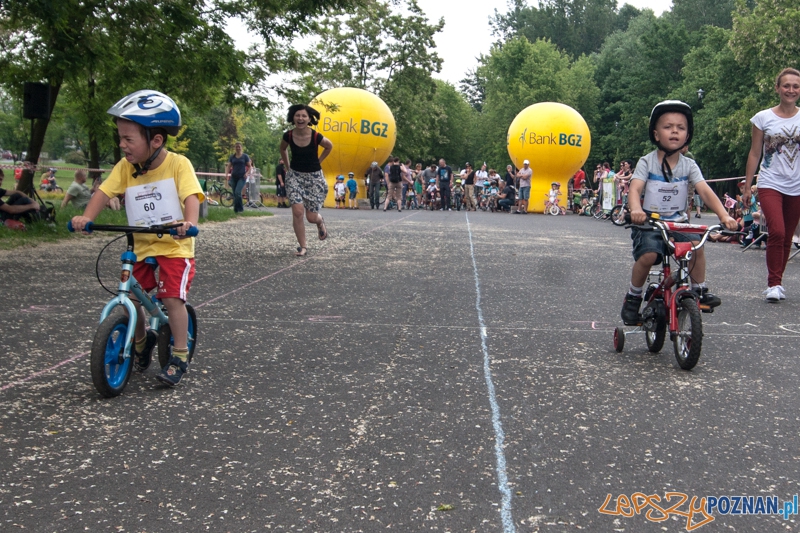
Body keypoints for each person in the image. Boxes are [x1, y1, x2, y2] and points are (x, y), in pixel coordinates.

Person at [70, 90, 204, 386]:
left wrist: (189, 222)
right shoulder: (124, 168)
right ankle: (141, 343)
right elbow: (104, 193)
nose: (122, 145)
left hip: (174, 244)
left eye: (129, 139)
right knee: (133, 295)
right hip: (141, 242)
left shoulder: (178, 164)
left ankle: (179, 354)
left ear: (155, 140)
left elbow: (192, 196)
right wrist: (87, 218)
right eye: (120, 137)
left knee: (171, 298)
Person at [620, 100, 737, 325]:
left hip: (679, 222)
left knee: (696, 246)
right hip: (650, 223)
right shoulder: (647, 162)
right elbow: (635, 188)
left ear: (687, 135)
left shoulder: (689, 165)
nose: (675, 131)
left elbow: (705, 191)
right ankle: (633, 296)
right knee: (649, 256)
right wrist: (635, 209)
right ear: (655, 134)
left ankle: (699, 289)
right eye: (668, 127)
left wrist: (725, 216)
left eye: (681, 128)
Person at [742, 67, 800, 302]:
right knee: (776, 230)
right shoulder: (763, 118)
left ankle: (779, 280)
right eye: (786, 85)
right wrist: (747, 186)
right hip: (770, 182)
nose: (791, 90)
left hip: (796, 185)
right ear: (777, 88)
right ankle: (773, 284)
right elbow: (755, 153)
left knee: (787, 237)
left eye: (795, 86)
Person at [280, 104, 332, 256]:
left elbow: (329, 146)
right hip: (295, 176)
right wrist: (288, 167)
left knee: (311, 217)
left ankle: (320, 221)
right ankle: (303, 247)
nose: (300, 118)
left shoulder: (316, 136)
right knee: (297, 212)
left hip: (314, 177)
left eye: (304, 116)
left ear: (309, 119)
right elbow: (282, 149)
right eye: (297, 115)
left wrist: (319, 161)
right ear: (293, 118)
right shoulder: (288, 136)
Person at [225, 142, 252, 214]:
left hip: (242, 177)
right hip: (234, 177)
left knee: (237, 192)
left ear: (241, 147)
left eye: (239, 147)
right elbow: (229, 166)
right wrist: (226, 174)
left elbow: (250, 166)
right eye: (236, 147)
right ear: (235, 148)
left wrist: (247, 173)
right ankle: (236, 210)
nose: (238, 148)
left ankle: (240, 209)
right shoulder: (232, 157)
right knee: (235, 194)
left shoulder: (245, 156)